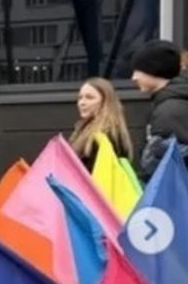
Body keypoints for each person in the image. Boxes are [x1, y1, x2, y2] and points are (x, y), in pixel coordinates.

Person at [129, 39, 188, 182]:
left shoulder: (170, 110)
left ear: (155, 69)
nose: (133, 77)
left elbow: (174, 166)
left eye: (139, 70)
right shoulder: (172, 103)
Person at [68, 77, 134, 170]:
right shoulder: (83, 129)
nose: (82, 103)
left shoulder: (109, 133)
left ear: (105, 101)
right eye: (80, 98)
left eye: (89, 98)